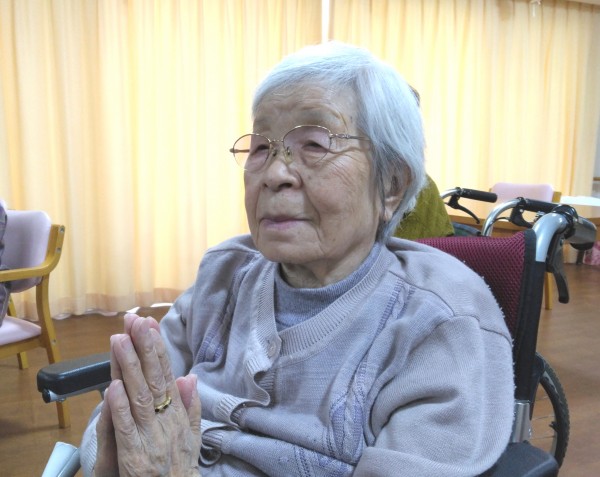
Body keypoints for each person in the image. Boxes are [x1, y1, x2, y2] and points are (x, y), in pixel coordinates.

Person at [81, 42, 514, 476]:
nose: (274, 174)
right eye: (261, 148)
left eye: (314, 144)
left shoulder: (439, 322)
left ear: (391, 186)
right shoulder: (224, 274)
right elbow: (116, 426)